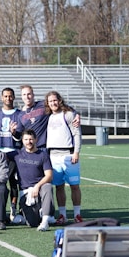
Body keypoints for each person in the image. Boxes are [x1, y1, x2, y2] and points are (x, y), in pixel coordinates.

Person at [45, 91, 83, 225]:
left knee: (74, 186)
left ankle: (77, 215)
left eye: (55, 100)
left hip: (68, 154)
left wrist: (76, 152)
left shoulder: (68, 114)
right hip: (53, 156)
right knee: (59, 187)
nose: (53, 103)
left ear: (59, 100)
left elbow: (76, 134)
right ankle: (62, 215)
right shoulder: (47, 115)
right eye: (50, 101)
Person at [0, 87, 22, 220]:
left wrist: (15, 133)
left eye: (10, 96)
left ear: (13, 97)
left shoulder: (19, 114)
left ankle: (13, 209)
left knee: (14, 182)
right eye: (5, 96)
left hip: (14, 152)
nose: (8, 98)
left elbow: (23, 134)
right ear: (2, 98)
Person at [12, 129, 55, 231]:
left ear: (36, 140)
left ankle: (45, 221)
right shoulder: (16, 154)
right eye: (26, 139)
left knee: (47, 186)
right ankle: (41, 212)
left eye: (31, 139)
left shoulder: (43, 155)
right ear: (22, 141)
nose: (29, 142)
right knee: (32, 223)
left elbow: (49, 175)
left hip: (39, 189)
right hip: (26, 193)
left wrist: (37, 186)